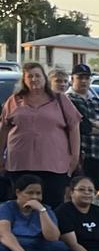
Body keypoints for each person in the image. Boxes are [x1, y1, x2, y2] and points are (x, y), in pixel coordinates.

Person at [0, 62, 81, 204]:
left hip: (53, 165)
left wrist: (74, 157)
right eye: (29, 76)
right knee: (20, 207)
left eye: (37, 75)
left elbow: (74, 128)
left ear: (44, 78)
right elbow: (4, 129)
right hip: (19, 164)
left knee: (51, 206)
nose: (34, 79)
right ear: (24, 80)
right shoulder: (14, 100)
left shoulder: (60, 100)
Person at [0, 174, 69, 251]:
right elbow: (4, 234)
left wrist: (41, 210)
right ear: (18, 193)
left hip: (37, 245)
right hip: (13, 246)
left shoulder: (46, 209)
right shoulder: (7, 207)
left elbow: (53, 237)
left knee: (59, 248)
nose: (35, 197)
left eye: (38, 193)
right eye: (30, 193)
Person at [66, 64, 99, 188]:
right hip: (81, 156)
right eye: (80, 77)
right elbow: (81, 127)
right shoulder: (68, 99)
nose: (84, 81)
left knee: (97, 192)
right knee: (79, 190)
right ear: (72, 79)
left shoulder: (96, 100)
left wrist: (92, 123)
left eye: (87, 78)